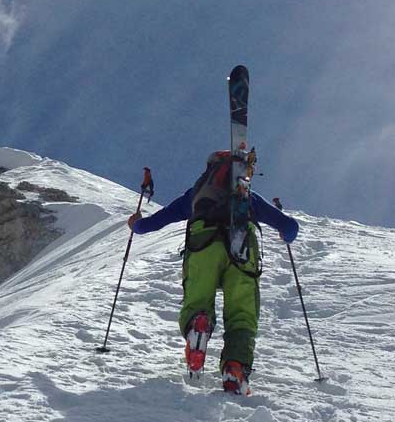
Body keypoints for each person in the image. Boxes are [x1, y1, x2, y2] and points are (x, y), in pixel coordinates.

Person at [127, 151, 298, 395]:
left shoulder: (197, 193)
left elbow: (154, 223)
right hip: (243, 246)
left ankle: (199, 325)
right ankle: (235, 367)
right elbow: (291, 227)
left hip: (202, 242)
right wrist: (286, 233)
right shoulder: (249, 197)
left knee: (197, 299)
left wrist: (137, 224)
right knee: (242, 313)